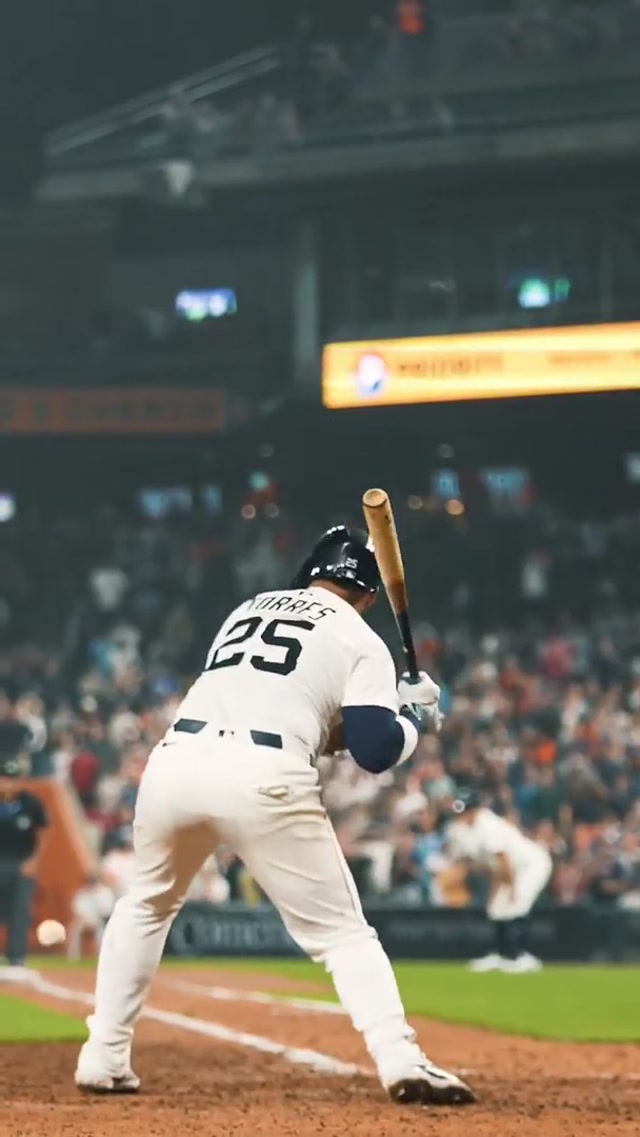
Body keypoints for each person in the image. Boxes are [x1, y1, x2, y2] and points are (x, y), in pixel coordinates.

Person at [75, 525, 475, 1106]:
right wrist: (412, 719)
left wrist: (397, 710)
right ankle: (400, 1058)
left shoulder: (248, 609)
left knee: (145, 905)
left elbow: (303, 714)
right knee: (343, 936)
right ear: (367, 594)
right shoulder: (362, 638)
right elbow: (375, 751)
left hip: (175, 763)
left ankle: (104, 1056)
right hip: (263, 774)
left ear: (312, 572)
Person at [446, 788, 552, 973]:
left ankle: (521, 956)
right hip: (511, 869)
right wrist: (496, 891)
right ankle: (502, 955)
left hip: (531, 865)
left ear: (474, 809)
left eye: (465, 810)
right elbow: (493, 866)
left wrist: (511, 889)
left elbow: (505, 859)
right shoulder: (468, 830)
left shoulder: (487, 825)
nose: (462, 815)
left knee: (517, 905)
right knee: (496, 908)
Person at [0, 758, 49, 975]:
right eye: (4, 778)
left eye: (12, 779)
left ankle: (16, 958)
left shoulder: (31, 803)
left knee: (20, 911)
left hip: (22, 862)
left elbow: (44, 831)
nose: (8, 783)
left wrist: (34, 860)